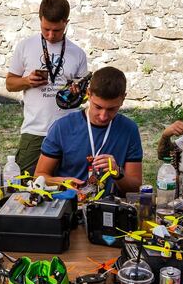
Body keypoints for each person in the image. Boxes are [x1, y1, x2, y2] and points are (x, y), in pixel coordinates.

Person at [6, 0, 88, 174]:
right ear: (39, 19)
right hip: (35, 130)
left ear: (66, 22)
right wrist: (26, 81)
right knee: (26, 184)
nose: (51, 35)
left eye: (57, 30)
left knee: (68, 184)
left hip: (68, 131)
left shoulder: (78, 53)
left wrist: (77, 93)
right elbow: (10, 84)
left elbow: (84, 97)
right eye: (46, 29)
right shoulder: (25, 46)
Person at [34, 66, 143, 195]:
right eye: (98, 107)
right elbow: (39, 176)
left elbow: (136, 187)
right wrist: (63, 182)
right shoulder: (63, 127)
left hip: (111, 208)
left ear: (123, 99)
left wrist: (118, 172)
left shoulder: (129, 130)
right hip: (70, 205)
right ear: (88, 94)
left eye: (112, 109)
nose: (103, 116)